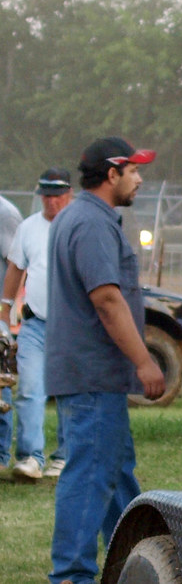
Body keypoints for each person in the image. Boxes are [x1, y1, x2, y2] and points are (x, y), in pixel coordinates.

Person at [46, 137, 165, 584]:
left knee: (113, 474)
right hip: (94, 376)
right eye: (134, 170)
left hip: (94, 377)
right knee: (91, 476)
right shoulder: (92, 223)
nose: (139, 178)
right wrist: (145, 362)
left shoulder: (80, 217)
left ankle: (137, 563)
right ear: (112, 174)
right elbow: (107, 300)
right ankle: (72, 577)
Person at [4, 168, 74, 480]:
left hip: (72, 325)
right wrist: (5, 308)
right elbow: (16, 268)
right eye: (45, 194)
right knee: (30, 389)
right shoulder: (28, 228)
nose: (51, 200)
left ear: (68, 194)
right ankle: (30, 457)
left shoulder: (78, 226)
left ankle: (63, 456)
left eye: (57, 194)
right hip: (35, 322)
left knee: (68, 392)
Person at [0, 193, 22, 471]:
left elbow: (16, 265)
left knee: (0, 384)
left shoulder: (4, 213)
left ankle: (1, 455)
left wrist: (6, 309)